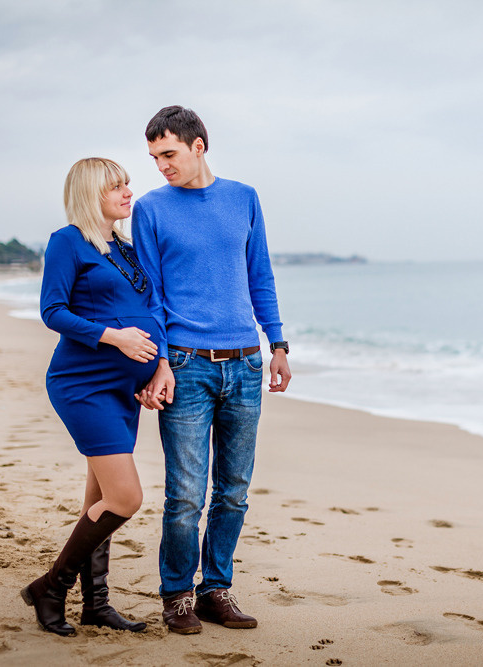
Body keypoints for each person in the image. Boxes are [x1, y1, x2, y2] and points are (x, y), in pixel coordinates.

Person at [132, 106, 291, 635]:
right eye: (155, 157)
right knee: (185, 494)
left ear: (199, 145)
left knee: (234, 490)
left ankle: (215, 590)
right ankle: (176, 595)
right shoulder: (151, 209)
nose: (161, 166)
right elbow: (150, 295)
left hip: (246, 363)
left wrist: (279, 344)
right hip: (184, 366)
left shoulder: (243, 198)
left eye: (169, 154)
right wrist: (158, 362)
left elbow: (259, 274)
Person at [21, 157, 166, 636]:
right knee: (125, 498)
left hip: (125, 387)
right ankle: (51, 586)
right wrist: (116, 338)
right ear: (90, 194)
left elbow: (151, 311)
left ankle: (96, 604)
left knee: (99, 499)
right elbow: (53, 311)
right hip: (83, 384)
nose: (129, 192)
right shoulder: (68, 242)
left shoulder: (125, 248)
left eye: (127, 184)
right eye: (117, 187)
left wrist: (156, 363)